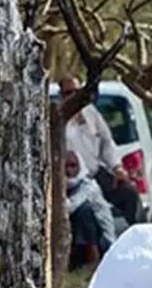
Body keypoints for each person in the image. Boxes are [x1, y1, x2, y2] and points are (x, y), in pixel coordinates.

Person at [60, 77, 142, 227]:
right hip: (71, 180)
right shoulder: (58, 118)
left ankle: (131, 235)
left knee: (129, 194)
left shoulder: (90, 113)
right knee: (86, 212)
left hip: (95, 173)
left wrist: (117, 167)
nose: (73, 96)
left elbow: (106, 142)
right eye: (68, 93)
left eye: (77, 92)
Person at [65, 152, 117, 269]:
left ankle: (93, 258)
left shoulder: (88, 186)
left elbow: (70, 207)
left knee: (84, 211)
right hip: (74, 240)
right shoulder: (67, 187)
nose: (68, 171)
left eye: (73, 166)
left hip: (103, 240)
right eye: (65, 167)